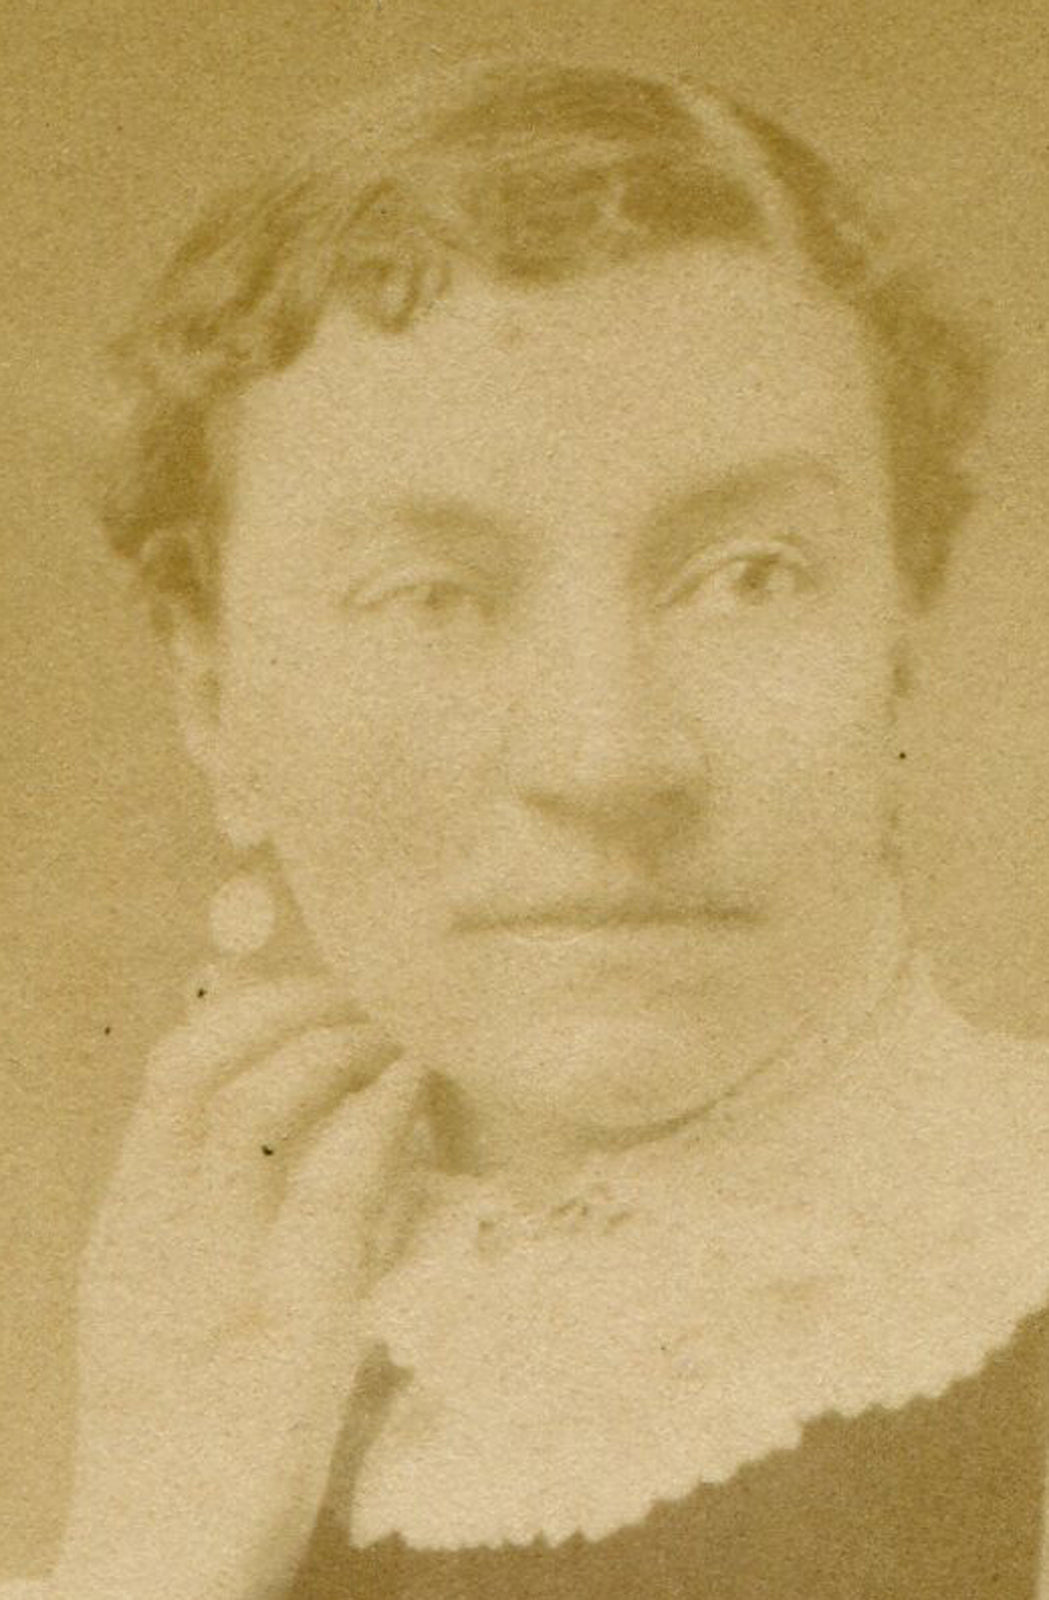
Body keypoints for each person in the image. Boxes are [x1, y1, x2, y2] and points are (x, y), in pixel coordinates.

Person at [7, 56, 1049, 1600]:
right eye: (431, 596)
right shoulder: (195, 1360)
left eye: (747, 573)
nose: (609, 755)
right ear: (212, 696)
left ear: (899, 638)